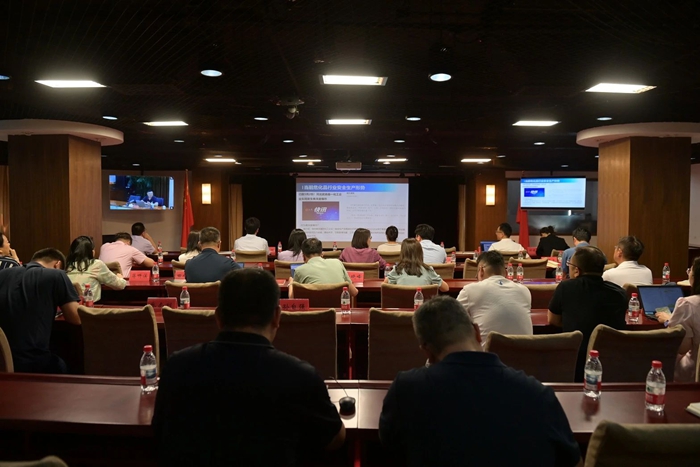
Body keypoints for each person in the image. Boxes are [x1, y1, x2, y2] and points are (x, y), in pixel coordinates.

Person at [152, 268, 345, 466]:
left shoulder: (177, 366)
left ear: (218, 317)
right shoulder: (300, 376)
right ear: (277, 317)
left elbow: (159, 432)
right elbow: (334, 439)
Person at [379, 296, 581, 467]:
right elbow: (573, 461)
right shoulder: (538, 394)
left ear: (427, 352)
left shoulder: (406, 390)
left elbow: (388, 449)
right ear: (477, 332)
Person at [548, 246, 626, 378]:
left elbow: (553, 320)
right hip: (611, 364)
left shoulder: (566, 288)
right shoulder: (620, 293)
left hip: (575, 362)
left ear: (576, 270)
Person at [0, 248, 81, 373]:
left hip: (3, 359)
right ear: (57, 264)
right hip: (33, 361)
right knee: (66, 362)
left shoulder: (3, 274)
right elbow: (75, 317)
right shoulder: (57, 274)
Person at [456, 250, 532, 345]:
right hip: (525, 353)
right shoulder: (524, 291)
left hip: (487, 354)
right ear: (505, 272)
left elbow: (450, 320)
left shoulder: (469, 290)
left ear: (481, 270)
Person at [656, 258, 700, 382]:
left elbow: (682, 347)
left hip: (695, 373)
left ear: (696, 277)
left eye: (690, 271)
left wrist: (669, 321)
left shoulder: (688, 304)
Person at [290, 238, 358, 297]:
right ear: (322, 254)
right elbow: (354, 292)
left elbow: (292, 298)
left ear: (303, 256)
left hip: (313, 308)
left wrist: (291, 283)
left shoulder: (299, 270)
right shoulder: (338, 263)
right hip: (338, 308)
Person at [66, 236, 126, 302]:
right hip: (89, 306)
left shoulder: (67, 265)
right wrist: (121, 278)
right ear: (91, 251)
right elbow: (119, 285)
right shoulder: (96, 264)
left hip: (68, 306)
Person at [384, 239, 449, 292]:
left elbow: (384, 285)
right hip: (424, 304)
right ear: (420, 253)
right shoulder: (428, 270)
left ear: (403, 253)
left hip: (401, 304)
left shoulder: (397, 270)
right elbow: (446, 288)